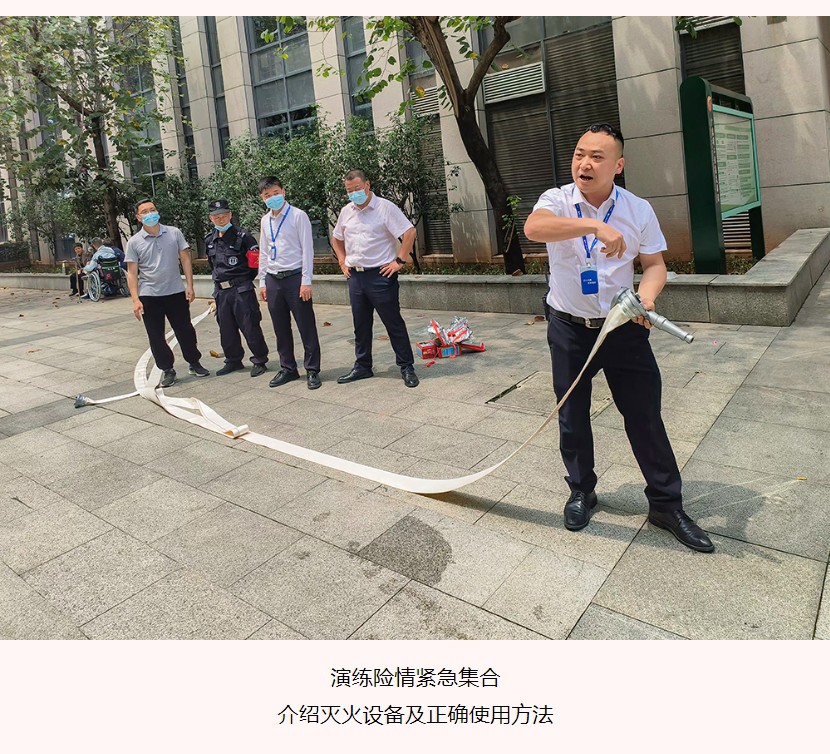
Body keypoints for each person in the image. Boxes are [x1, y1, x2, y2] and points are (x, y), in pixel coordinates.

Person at [524, 123, 713, 553]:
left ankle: (666, 505)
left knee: (645, 415)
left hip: (623, 327)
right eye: (579, 154)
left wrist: (647, 298)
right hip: (569, 327)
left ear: (618, 165)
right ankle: (582, 491)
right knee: (572, 414)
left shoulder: (637, 209)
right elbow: (534, 228)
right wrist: (593, 225)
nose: (584, 164)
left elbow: (654, 265)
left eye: (597, 156)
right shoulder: (557, 200)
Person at [331, 169, 419, 388]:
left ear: (367, 185)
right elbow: (337, 238)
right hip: (355, 276)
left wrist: (399, 261)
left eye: (357, 188)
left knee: (393, 322)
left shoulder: (385, 207)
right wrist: (342, 260)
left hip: (381, 275)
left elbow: (409, 232)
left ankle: (406, 366)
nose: (354, 193)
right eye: (349, 190)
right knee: (360, 325)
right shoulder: (346, 211)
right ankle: (362, 366)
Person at [125, 198, 210, 388]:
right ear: (138, 217)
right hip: (149, 295)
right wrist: (135, 299)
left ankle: (194, 362)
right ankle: (167, 369)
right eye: (145, 212)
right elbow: (132, 272)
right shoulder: (134, 242)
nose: (150, 214)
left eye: (152, 209)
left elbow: (185, 259)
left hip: (175, 292)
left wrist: (190, 285)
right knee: (156, 335)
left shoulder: (173, 233)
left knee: (185, 330)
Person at [257, 177, 321, 390]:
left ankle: (312, 369)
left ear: (283, 192)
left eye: (275, 193)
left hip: (295, 278)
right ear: (262, 198)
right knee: (280, 327)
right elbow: (264, 252)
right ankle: (288, 368)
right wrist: (262, 281)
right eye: (267, 195)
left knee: (306, 325)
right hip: (273, 279)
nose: (272, 198)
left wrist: (306, 281)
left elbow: (307, 250)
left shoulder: (298, 215)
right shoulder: (265, 220)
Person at [205, 198, 269, 377]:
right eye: (216, 216)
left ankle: (259, 359)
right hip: (221, 292)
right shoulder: (209, 240)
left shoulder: (244, 236)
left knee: (250, 325)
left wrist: (241, 281)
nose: (220, 219)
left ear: (230, 215)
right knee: (226, 328)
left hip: (241, 290)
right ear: (211, 218)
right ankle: (233, 360)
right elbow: (213, 266)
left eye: (224, 215)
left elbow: (255, 265)